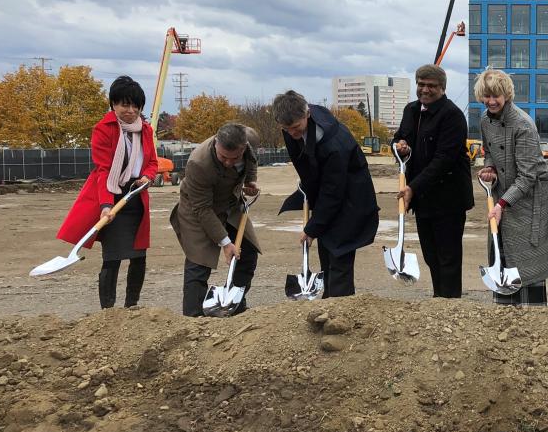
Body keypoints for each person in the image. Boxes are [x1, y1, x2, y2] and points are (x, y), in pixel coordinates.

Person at [56, 76, 157, 309]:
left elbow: (151, 162)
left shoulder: (146, 130)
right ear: (113, 104)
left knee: (139, 257)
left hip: (136, 196)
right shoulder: (104, 129)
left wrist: (147, 176)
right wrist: (105, 205)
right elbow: (103, 169)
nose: (130, 111)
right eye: (124, 104)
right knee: (112, 257)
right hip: (113, 194)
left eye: (135, 106)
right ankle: (108, 311)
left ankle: (132, 306)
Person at [272, 90, 379, 297]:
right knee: (327, 254)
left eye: (296, 128)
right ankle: (328, 304)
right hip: (327, 195)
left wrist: (312, 228)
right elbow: (304, 161)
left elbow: (333, 192)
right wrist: (308, 183)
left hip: (351, 201)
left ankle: (340, 313)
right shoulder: (293, 126)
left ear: (307, 114)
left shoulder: (333, 145)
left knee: (339, 255)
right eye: (286, 129)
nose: (292, 133)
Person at [474, 68, 548, 306]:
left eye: (496, 96)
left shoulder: (522, 124)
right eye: (486, 96)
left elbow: (527, 175)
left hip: (531, 199)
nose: (491, 101)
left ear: (507, 95)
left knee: (528, 260)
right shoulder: (484, 119)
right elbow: (488, 151)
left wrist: (501, 203)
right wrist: (489, 168)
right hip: (504, 194)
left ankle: (533, 316)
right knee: (502, 251)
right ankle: (505, 313)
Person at [392, 64, 475, 298]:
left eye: (431, 86)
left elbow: (443, 160)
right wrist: (400, 147)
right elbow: (400, 139)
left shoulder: (453, 116)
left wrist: (412, 187)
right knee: (430, 255)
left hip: (448, 199)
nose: (425, 90)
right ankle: (439, 299)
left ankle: (449, 304)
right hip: (422, 198)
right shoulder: (411, 111)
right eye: (421, 84)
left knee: (448, 257)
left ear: (442, 88)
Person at [170, 123, 261, 317]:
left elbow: (251, 161)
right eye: (223, 157)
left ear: (244, 147)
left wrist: (250, 181)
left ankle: (235, 304)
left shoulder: (249, 142)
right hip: (197, 209)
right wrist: (226, 243)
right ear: (216, 144)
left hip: (229, 203)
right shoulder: (198, 163)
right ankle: (193, 319)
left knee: (248, 252)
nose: (228, 162)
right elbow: (202, 209)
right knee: (199, 261)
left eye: (234, 157)